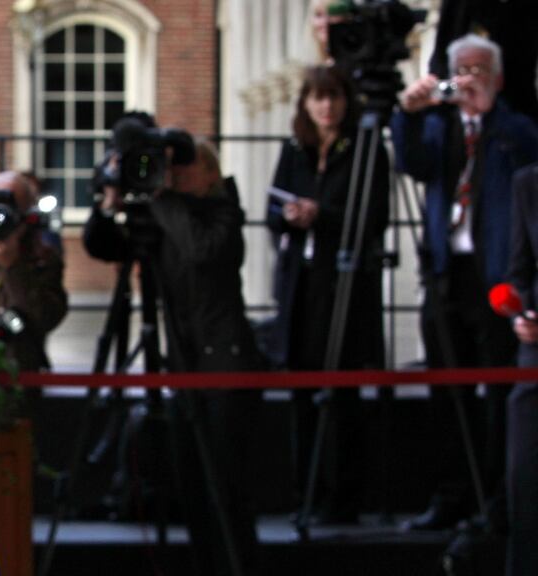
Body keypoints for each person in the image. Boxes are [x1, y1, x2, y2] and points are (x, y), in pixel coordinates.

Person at [84, 127, 262, 575]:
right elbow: (106, 247)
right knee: (196, 491)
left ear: (210, 172)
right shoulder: (168, 215)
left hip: (225, 364)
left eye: (185, 166)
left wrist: (159, 198)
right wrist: (106, 204)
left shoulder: (223, 213)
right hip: (186, 366)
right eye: (169, 168)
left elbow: (202, 251)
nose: (174, 175)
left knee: (225, 487)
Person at [391, 33, 538, 531]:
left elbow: (528, 158)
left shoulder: (512, 127)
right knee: (447, 393)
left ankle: (497, 498)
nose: (470, 78)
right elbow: (411, 162)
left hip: (496, 277)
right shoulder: (438, 127)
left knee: (500, 395)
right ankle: (451, 494)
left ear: (496, 78)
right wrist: (406, 113)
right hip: (445, 274)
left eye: (480, 69)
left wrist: (488, 111)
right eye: (463, 70)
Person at [267, 64, 389, 525]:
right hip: (300, 281)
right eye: (317, 97)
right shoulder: (293, 149)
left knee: (342, 395)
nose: (326, 106)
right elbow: (271, 211)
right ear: (305, 103)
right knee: (301, 392)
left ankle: (344, 497)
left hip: (344, 287)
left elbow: (372, 216)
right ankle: (307, 493)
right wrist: (291, 215)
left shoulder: (365, 151)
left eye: (333, 96)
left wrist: (322, 215)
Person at [0, 170, 68, 373]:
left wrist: (11, 265)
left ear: (25, 219)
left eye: (8, 209)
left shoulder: (42, 256)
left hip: (16, 371)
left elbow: (46, 318)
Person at [506, 162, 538, 576]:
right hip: (535, 351)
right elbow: (519, 270)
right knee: (524, 470)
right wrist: (520, 312)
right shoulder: (527, 182)